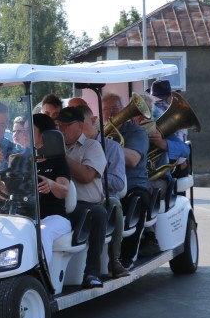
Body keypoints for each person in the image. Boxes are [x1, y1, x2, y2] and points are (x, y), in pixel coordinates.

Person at [70, 99, 129, 278]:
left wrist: (94, 174)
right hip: (76, 195)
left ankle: (115, 259)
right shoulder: (69, 146)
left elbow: (118, 183)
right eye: (74, 125)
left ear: (93, 121)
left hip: (104, 195)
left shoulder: (112, 146)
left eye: (83, 125)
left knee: (115, 206)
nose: (78, 130)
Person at [56, 106, 107, 289]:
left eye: (67, 125)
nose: (61, 129)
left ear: (79, 126)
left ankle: (92, 273)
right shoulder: (52, 147)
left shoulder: (93, 147)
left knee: (99, 213)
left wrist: (60, 157)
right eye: (59, 124)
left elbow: (86, 175)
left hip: (85, 206)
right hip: (58, 204)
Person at [101, 92, 151, 268]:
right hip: (109, 185)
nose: (110, 113)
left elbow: (133, 159)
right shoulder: (101, 134)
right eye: (105, 110)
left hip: (133, 184)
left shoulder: (137, 132)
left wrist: (106, 147)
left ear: (123, 109)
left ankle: (128, 255)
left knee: (138, 200)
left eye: (114, 108)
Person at [27, 113, 72, 261]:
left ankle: (43, 280)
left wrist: (51, 184)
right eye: (24, 130)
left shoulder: (57, 161)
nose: (26, 134)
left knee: (43, 232)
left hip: (55, 217)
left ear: (44, 135)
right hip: (28, 218)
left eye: (30, 130)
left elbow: (64, 191)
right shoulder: (22, 161)